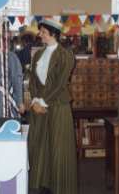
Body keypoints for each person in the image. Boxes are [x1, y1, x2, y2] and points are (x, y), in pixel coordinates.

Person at [28, 18, 77, 194]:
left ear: (53, 34)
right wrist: (34, 100)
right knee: (40, 145)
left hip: (57, 105)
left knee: (58, 146)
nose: (39, 34)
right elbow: (32, 79)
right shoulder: (38, 54)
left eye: (43, 32)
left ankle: (61, 186)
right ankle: (43, 182)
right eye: (40, 31)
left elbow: (60, 83)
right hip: (39, 106)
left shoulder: (65, 55)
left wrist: (43, 101)